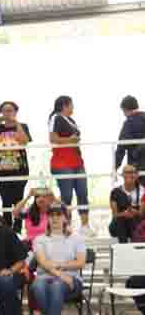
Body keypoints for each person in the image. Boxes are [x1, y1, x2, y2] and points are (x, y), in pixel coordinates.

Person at [30, 205, 86, 315]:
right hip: (48, 278)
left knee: (56, 284)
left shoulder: (76, 238)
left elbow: (80, 262)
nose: (55, 218)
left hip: (72, 281)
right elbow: (43, 262)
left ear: (65, 218)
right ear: (47, 219)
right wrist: (61, 274)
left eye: (59, 215)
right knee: (37, 285)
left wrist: (60, 266)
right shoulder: (39, 239)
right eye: (51, 215)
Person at [49, 96, 94, 236]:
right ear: (64, 105)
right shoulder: (55, 117)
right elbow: (52, 138)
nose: (73, 107)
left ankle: (85, 226)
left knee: (82, 193)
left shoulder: (71, 120)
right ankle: (64, 226)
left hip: (76, 160)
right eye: (71, 105)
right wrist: (69, 139)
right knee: (66, 195)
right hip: (62, 161)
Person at [0, 101, 32, 232]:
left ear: (16, 112)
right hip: (1, 169)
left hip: (20, 168)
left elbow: (24, 142)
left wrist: (16, 123)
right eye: (5, 110)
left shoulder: (22, 126)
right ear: (1, 113)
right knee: (5, 199)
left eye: (10, 110)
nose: (8, 113)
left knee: (18, 198)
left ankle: (18, 228)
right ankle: (6, 229)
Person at [108, 165, 144, 244]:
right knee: (121, 221)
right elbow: (115, 215)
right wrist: (124, 214)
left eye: (133, 172)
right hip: (118, 225)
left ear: (137, 175)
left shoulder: (142, 191)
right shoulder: (115, 192)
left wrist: (134, 212)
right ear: (123, 175)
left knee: (132, 221)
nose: (131, 175)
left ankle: (125, 249)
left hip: (135, 224)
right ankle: (125, 249)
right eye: (127, 172)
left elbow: (142, 214)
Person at [114, 95, 145, 174]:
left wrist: (115, 167)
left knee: (138, 186)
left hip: (137, 167)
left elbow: (121, 148)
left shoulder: (129, 124)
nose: (124, 114)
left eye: (123, 111)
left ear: (126, 109)